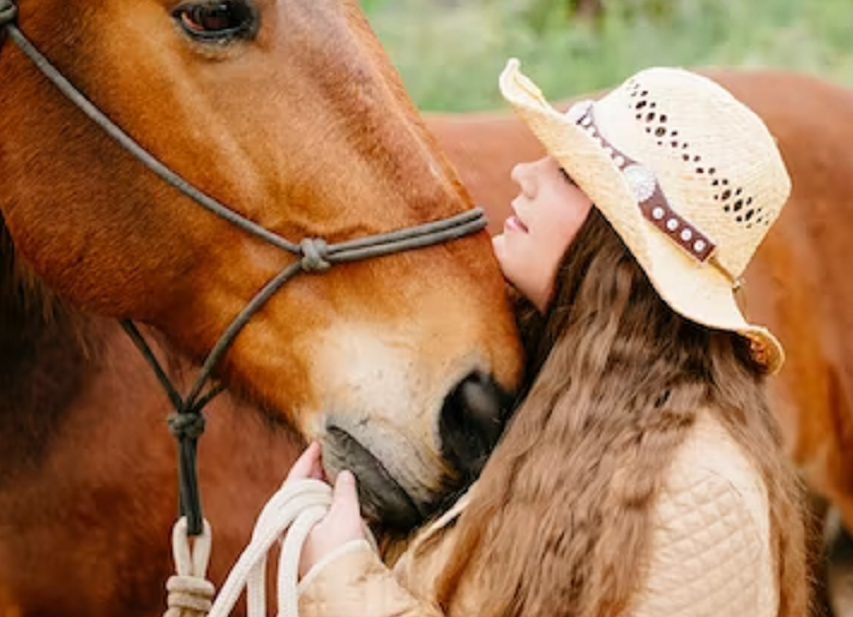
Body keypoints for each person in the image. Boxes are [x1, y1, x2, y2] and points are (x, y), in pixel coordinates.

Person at [287, 59, 810, 617]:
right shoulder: (553, 400)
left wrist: (339, 578)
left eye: (566, 173)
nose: (525, 174)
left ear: (618, 247)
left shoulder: (701, 494)